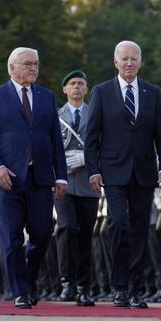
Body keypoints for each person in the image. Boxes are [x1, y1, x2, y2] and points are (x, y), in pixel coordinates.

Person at [83, 40, 161, 309]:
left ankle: (134, 289)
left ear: (140, 62)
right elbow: (91, 137)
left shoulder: (152, 93)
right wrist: (93, 171)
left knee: (139, 231)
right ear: (116, 62)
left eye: (134, 59)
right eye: (124, 59)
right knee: (119, 225)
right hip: (113, 173)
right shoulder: (101, 92)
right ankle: (119, 286)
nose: (129, 63)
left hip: (145, 173)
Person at [0, 47, 68, 309]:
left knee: (41, 233)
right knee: (12, 236)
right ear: (12, 68)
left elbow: (55, 142)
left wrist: (61, 176)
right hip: (6, 180)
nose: (33, 69)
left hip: (40, 178)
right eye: (27, 64)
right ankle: (19, 291)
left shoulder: (47, 97)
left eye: (36, 64)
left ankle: (26, 280)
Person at [55, 69, 101, 306]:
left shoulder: (96, 113)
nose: (76, 87)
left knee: (84, 233)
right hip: (62, 182)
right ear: (64, 89)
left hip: (88, 182)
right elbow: (49, 147)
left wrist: (87, 158)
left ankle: (85, 286)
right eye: (72, 83)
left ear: (86, 89)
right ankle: (67, 282)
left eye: (81, 83)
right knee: (66, 228)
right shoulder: (56, 115)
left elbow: (108, 145)